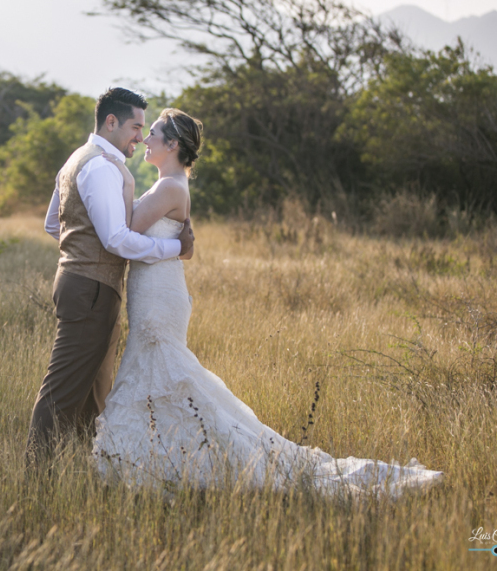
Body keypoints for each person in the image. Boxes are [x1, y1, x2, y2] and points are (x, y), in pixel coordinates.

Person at [91, 108, 445, 497]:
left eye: (153, 132)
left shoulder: (169, 188)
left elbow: (122, 229)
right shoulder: (167, 185)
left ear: (172, 144)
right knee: (157, 374)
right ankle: (166, 454)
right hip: (157, 287)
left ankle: (189, 458)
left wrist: (117, 175)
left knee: (164, 373)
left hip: (159, 294)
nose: (144, 139)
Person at [26, 88, 195, 466]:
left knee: (93, 389)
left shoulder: (77, 158)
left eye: (145, 129)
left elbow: (54, 223)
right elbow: (117, 238)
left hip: (82, 283)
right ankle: (37, 478)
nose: (140, 136)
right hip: (90, 289)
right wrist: (174, 249)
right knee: (64, 388)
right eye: (136, 126)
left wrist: (78, 252)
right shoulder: (103, 166)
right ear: (112, 121)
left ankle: (96, 468)